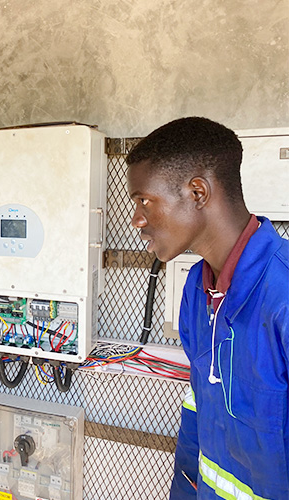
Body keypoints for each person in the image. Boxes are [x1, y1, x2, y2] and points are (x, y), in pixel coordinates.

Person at [126, 117, 289, 499]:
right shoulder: (197, 292)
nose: (136, 220)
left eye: (144, 200)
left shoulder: (282, 294)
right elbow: (198, 417)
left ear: (198, 192)